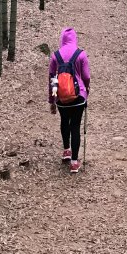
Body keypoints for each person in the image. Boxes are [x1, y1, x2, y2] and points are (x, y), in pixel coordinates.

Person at [48, 27, 90, 174]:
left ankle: (67, 150)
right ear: (74, 38)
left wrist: (52, 100)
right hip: (78, 97)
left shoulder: (55, 56)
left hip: (61, 98)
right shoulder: (81, 54)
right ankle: (74, 162)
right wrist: (86, 89)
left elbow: (53, 80)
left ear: (62, 39)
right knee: (75, 126)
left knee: (64, 121)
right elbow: (86, 77)